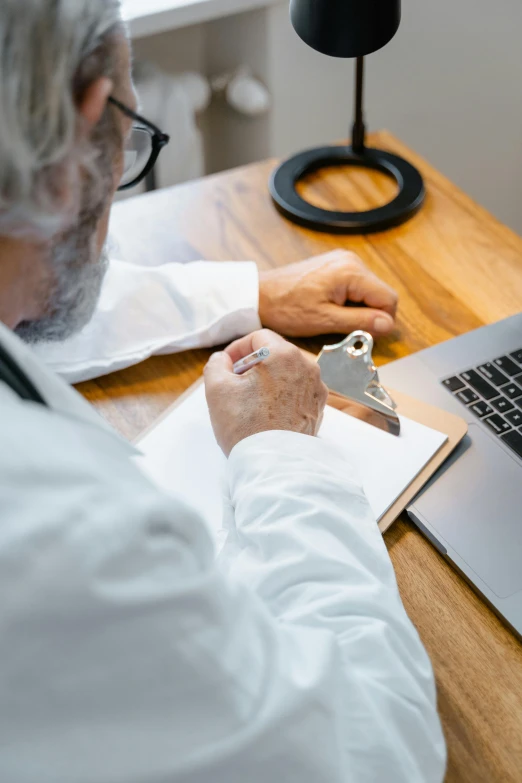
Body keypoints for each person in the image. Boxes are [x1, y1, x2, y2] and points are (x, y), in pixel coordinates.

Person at [0, 2, 446, 782]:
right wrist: (278, 451)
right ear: (85, 123)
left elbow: (24, 307)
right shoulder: (58, 540)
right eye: (129, 137)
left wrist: (250, 295)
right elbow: (373, 748)